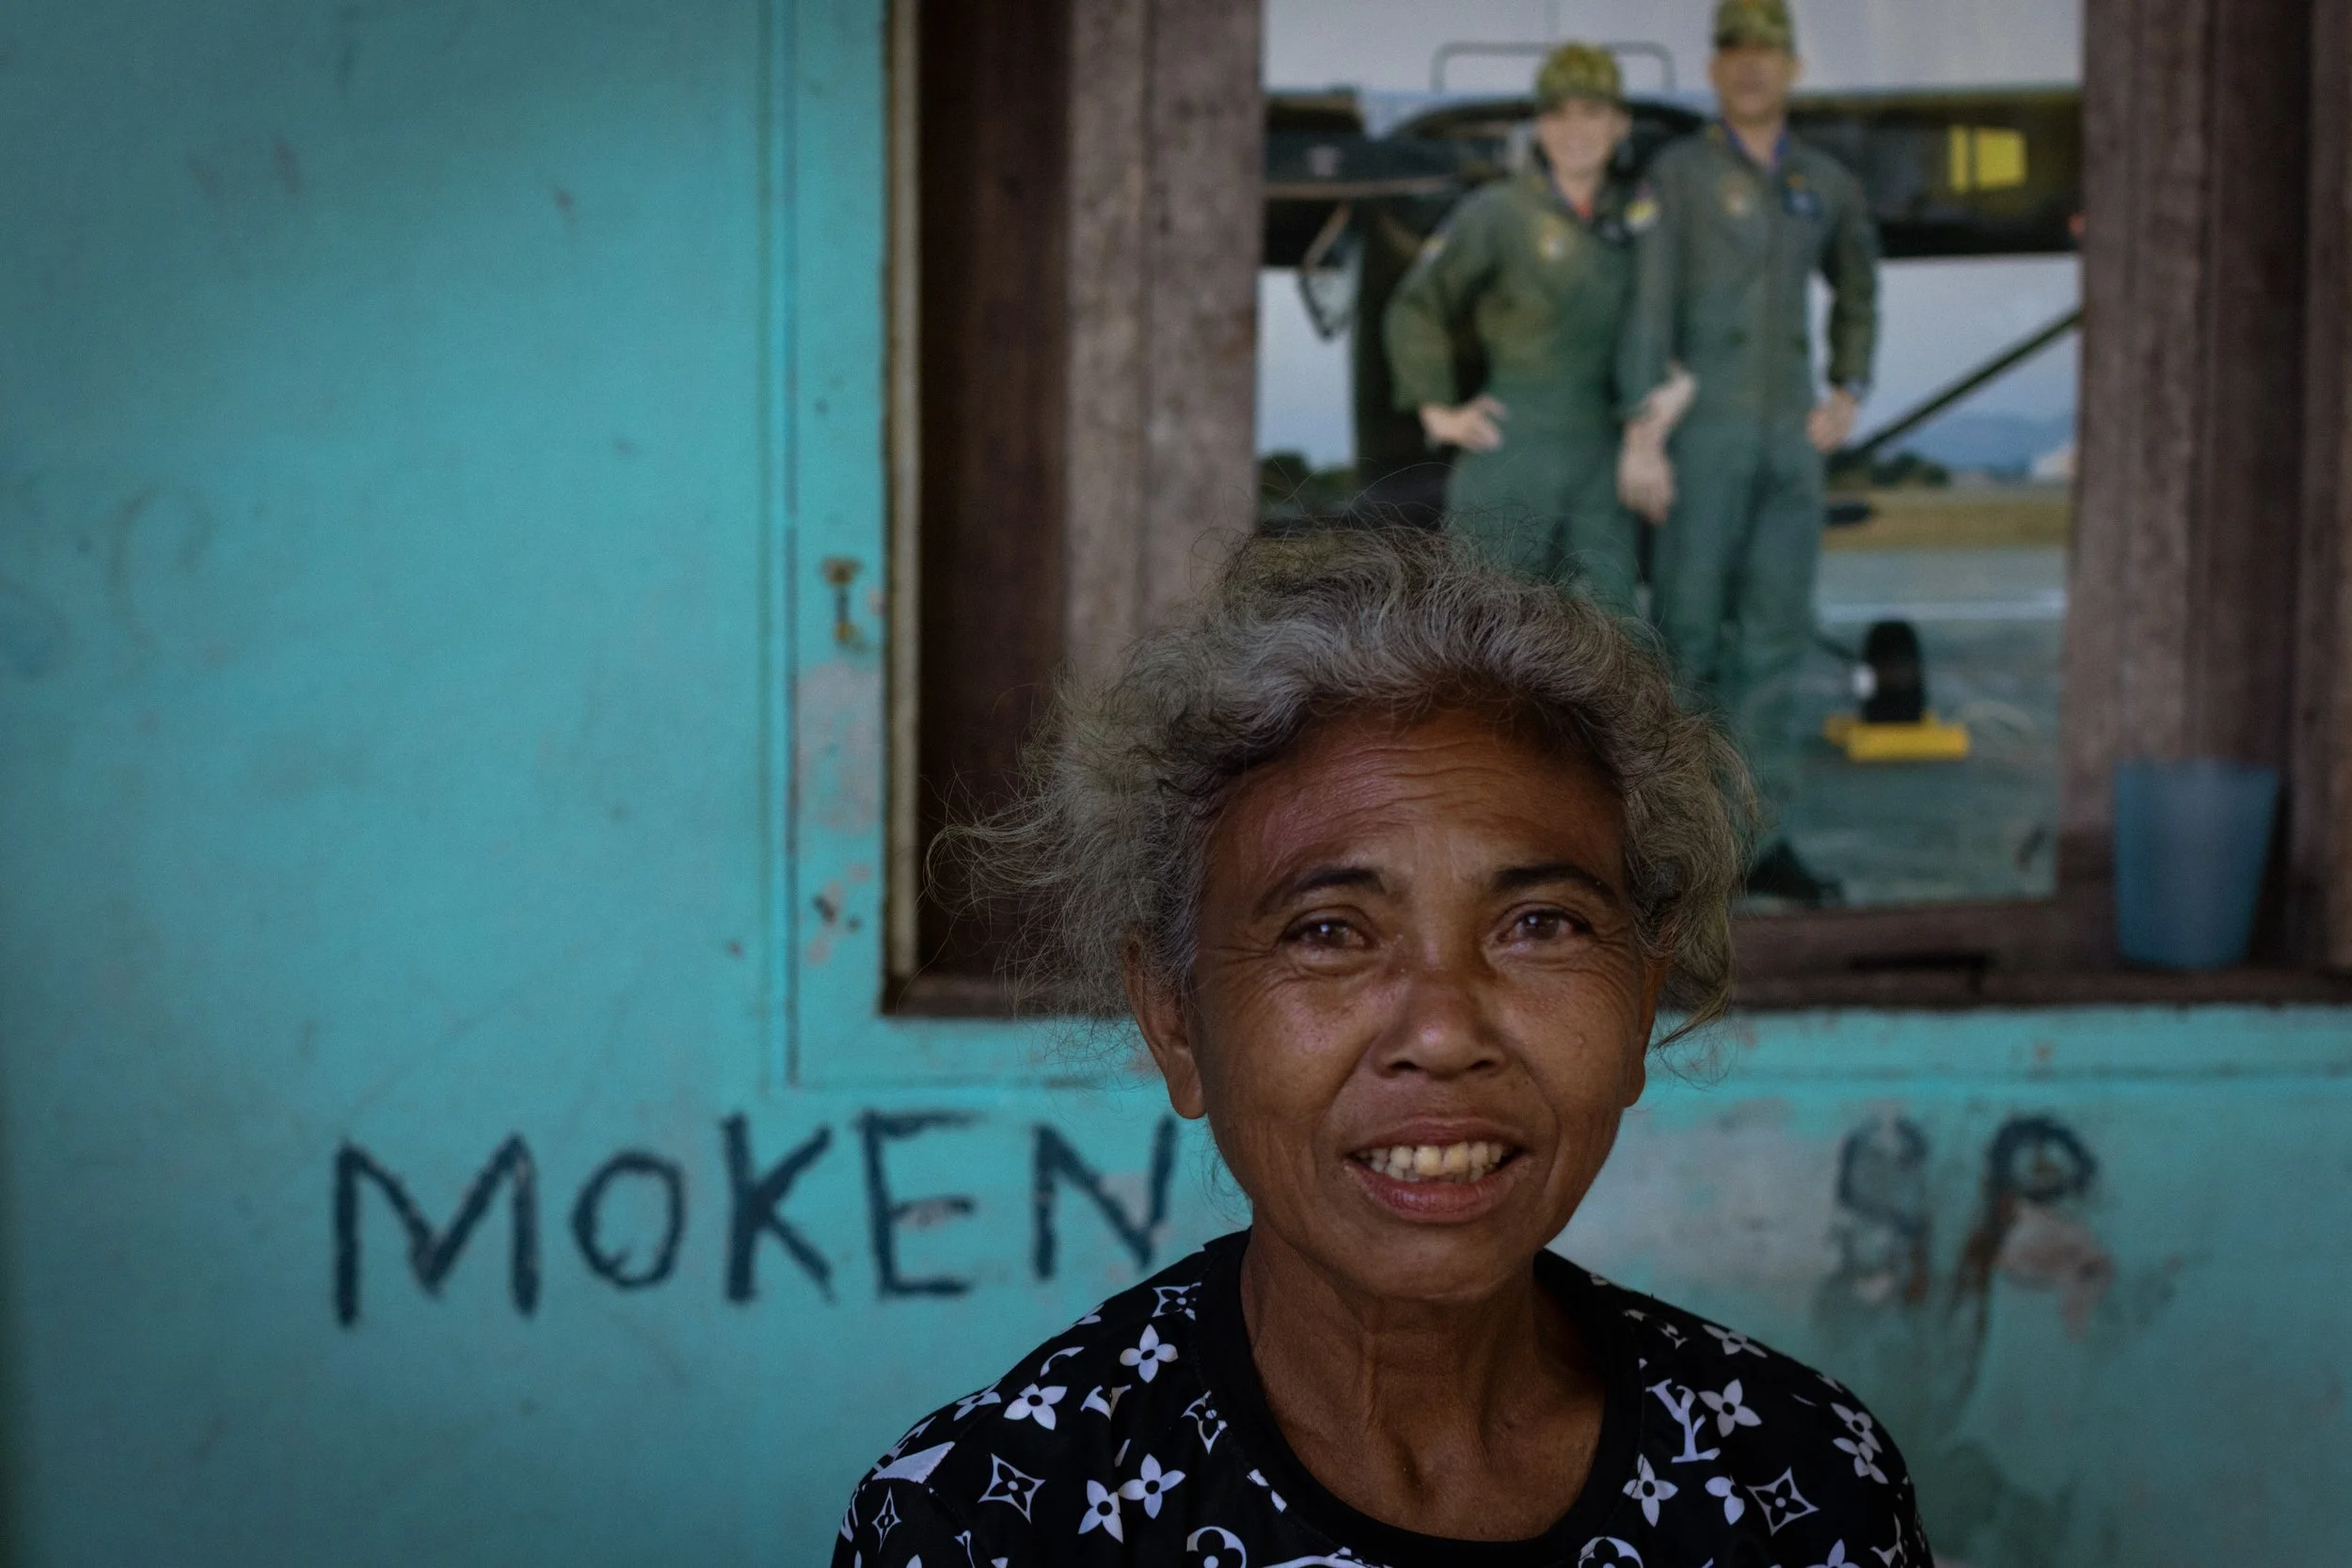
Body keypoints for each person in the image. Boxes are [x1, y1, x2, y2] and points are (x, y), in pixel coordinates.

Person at [832, 530, 1931, 1566]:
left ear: (1642, 1000)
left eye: (1539, 924)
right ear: (1174, 1016)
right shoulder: (990, 1521)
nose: (1443, 1032)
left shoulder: (1800, 1481)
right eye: (1328, 932)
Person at [1615, 0, 1880, 907]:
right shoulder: (1678, 175)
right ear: (1714, 69)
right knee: (1686, 638)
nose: (1752, 67)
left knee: (1775, 640)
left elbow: (1858, 278)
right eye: (1735, 52)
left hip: (1788, 445)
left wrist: (1848, 387)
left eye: (1767, 53)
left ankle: (1760, 841)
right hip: (1701, 438)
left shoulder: (1823, 181)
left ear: (1792, 68)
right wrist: (1644, 434)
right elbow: (1648, 307)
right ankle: (1677, 846)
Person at [1383, 44, 1687, 617]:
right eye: (1559, 114)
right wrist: (1436, 410)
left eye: (1592, 112)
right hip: (1512, 447)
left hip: (1603, 454)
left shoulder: (1638, 222)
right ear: (1539, 127)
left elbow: (1664, 320)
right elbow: (1416, 304)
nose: (1576, 131)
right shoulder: (1498, 212)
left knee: (1609, 630)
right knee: (1485, 626)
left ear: (1619, 124)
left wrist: (1670, 398)